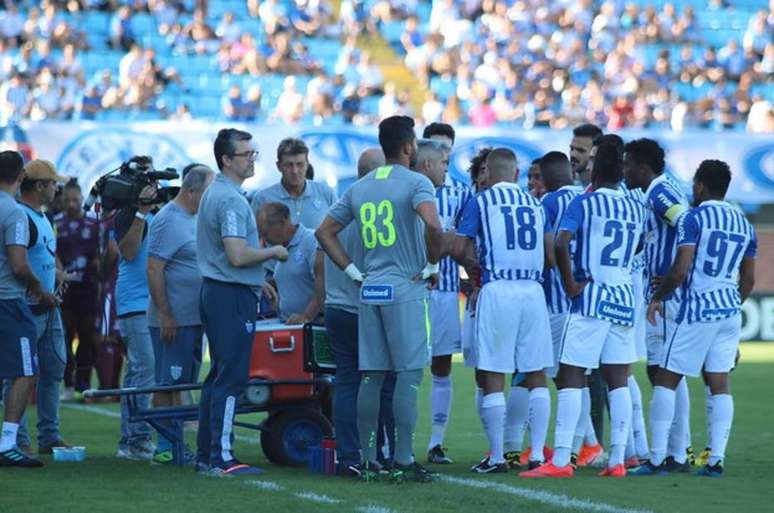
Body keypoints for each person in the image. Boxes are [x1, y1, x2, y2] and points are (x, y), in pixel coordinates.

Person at [316, 115, 443, 483]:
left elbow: (325, 232)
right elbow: (433, 226)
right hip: (404, 286)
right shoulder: (417, 182)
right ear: (408, 147)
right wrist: (433, 264)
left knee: (370, 376)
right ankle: (402, 459)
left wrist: (353, 272)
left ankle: (367, 459)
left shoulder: (361, 186)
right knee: (408, 376)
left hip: (369, 289)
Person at [522, 143, 645, 478]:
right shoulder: (636, 208)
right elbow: (639, 244)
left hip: (591, 296)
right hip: (622, 296)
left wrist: (570, 283)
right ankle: (618, 460)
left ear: (596, 170)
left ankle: (562, 460)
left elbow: (561, 242)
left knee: (572, 375)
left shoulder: (585, 202)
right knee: (618, 379)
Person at [633, 160, 755, 477]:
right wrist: (731, 302)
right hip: (729, 311)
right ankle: (716, 461)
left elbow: (682, 265)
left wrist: (659, 297)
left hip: (697, 309)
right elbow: (749, 278)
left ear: (700, 185)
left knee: (666, 378)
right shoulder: (744, 222)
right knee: (719, 383)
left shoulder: (694, 218)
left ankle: (658, 459)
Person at [453, 148, 553, 473]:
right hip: (533, 291)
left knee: (494, 373)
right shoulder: (536, 204)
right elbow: (548, 251)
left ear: (487, 172)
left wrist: (472, 269)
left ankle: (497, 457)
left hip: (498, 288)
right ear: (515, 173)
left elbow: (462, 248)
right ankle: (536, 453)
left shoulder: (480, 201)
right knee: (536, 372)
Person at [195, 129, 288, 475]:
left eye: (252, 152)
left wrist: (256, 278)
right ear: (226, 160)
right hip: (228, 294)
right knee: (231, 378)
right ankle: (221, 457)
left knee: (218, 376)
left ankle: (208, 455)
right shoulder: (230, 199)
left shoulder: (216, 192)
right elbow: (236, 255)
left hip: (222, 290)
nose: (251, 159)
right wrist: (272, 253)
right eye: (245, 154)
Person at [623, 138, 694, 470]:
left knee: (663, 371)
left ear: (641, 167)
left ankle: (668, 453)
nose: (624, 172)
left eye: (627, 165)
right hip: (667, 289)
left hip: (664, 291)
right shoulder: (667, 187)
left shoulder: (657, 192)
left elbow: (685, 222)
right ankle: (679, 449)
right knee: (669, 370)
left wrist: (672, 275)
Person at [146, 165, 214, 464]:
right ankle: (164, 447)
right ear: (191, 191)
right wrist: (165, 314)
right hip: (174, 319)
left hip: (194, 318)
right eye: (207, 193)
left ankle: (177, 445)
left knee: (184, 383)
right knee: (167, 382)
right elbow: (154, 267)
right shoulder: (167, 219)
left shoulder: (195, 217)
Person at [324, 148, 384, 477]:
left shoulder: (341, 203)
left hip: (336, 306)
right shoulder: (376, 208)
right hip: (366, 307)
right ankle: (378, 452)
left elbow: (323, 247)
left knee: (346, 383)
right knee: (379, 383)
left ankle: (348, 455)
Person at [413, 139, 469, 465]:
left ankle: (436, 443)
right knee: (404, 367)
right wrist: (442, 241)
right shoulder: (408, 189)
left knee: (442, 366)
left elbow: (464, 242)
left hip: (446, 290)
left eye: (448, 158)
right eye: (441, 160)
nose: (446, 166)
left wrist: (442, 243)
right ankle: (396, 442)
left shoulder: (460, 193)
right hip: (411, 290)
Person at [0, 151, 56, 467]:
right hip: (8, 301)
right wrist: (40, 289)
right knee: (25, 370)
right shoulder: (14, 213)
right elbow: (19, 264)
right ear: (21, 177)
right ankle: (8, 443)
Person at [12, 160, 71, 454]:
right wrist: (41, 290)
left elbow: (42, 256)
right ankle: (20, 439)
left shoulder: (42, 217)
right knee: (20, 375)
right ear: (38, 186)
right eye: (52, 183)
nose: (56, 188)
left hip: (48, 307)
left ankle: (49, 436)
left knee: (53, 371)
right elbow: (17, 264)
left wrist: (57, 275)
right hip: (29, 308)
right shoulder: (22, 218)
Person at [113, 162, 158, 460]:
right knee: (145, 371)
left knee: (137, 374)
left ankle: (130, 441)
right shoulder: (126, 214)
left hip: (148, 302)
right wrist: (141, 210)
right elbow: (128, 251)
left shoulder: (153, 213)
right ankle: (138, 441)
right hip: (134, 302)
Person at [56, 180, 100, 399]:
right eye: (68, 200)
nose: (72, 204)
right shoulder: (56, 223)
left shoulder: (93, 224)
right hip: (65, 289)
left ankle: (84, 383)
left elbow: (101, 256)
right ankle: (68, 384)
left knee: (87, 336)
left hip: (88, 287)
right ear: (62, 201)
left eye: (75, 199)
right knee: (65, 336)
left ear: (82, 199)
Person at [257, 202, 323, 324]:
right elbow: (293, 281)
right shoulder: (282, 248)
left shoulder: (311, 241)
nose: (264, 240)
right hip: (287, 324)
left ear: (282, 223)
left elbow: (323, 284)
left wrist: (306, 316)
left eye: (266, 234)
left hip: (310, 326)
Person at [251, 138, 336, 229]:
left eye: (300, 164)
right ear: (279, 166)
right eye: (289, 165)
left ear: (307, 165)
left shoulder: (326, 194)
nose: (295, 171)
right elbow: (253, 237)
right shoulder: (263, 199)